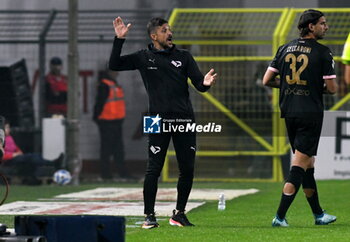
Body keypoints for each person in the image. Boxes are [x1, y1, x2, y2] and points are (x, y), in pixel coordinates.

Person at [109, 16, 217, 228]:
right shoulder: (143, 57)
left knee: (187, 168)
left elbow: (199, 85)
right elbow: (114, 64)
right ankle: (149, 216)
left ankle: (179, 214)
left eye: (170, 29)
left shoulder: (184, 57)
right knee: (154, 169)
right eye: (165, 30)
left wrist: (205, 83)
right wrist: (118, 39)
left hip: (184, 119)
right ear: (154, 36)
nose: (170, 33)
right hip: (156, 120)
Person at [262, 9, 338, 227]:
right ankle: (280, 216)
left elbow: (267, 80)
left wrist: (288, 85)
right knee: (299, 165)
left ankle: (318, 214)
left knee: (307, 162)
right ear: (311, 27)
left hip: (289, 111)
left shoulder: (284, 48)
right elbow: (332, 89)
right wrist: (314, 87)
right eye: (322, 23)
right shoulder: (323, 52)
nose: (326, 27)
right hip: (310, 113)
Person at [93, 69, 130, 180]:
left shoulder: (112, 84)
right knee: (107, 149)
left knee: (118, 149)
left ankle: (121, 173)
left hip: (116, 121)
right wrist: (98, 118)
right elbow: (99, 103)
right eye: (115, 71)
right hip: (107, 122)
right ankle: (106, 174)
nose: (117, 73)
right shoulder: (105, 85)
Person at [1, 120, 64, 185]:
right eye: (6, 128)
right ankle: (53, 163)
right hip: (8, 160)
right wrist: (13, 155)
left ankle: (34, 178)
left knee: (34, 156)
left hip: (16, 157)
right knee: (31, 157)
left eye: (8, 127)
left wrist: (19, 153)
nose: (8, 129)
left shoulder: (9, 138)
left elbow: (16, 148)